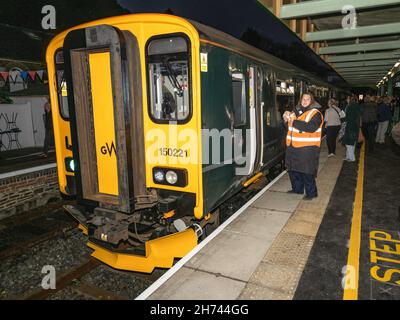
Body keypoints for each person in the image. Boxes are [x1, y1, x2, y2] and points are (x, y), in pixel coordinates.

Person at [283, 93, 324, 201]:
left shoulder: (316, 113)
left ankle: (311, 193)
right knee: (293, 169)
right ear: (300, 100)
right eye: (303, 99)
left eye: (308, 99)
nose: (305, 101)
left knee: (306, 171)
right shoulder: (294, 112)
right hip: (293, 146)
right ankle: (297, 189)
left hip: (307, 148)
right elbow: (287, 126)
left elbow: (311, 127)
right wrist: (285, 118)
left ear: (311, 101)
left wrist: (294, 121)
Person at [342, 96, 362, 162]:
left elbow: (348, 117)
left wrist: (342, 117)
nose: (346, 100)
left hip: (350, 127)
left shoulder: (350, 107)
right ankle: (348, 157)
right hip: (355, 126)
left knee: (349, 143)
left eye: (347, 99)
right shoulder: (357, 106)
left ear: (350, 100)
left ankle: (352, 158)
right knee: (352, 142)